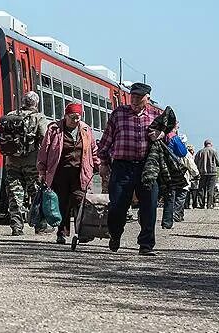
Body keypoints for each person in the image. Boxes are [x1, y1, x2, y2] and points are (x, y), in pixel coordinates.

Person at [97, 82, 163, 256]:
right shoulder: (119, 114)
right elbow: (106, 140)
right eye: (132, 96)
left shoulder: (156, 115)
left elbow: (171, 135)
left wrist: (161, 134)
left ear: (147, 98)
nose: (134, 99)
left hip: (147, 167)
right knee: (117, 205)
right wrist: (103, 162)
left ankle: (146, 245)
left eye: (138, 97)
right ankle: (115, 235)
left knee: (149, 206)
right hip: (122, 166)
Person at [37, 102, 98, 244]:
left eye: (78, 117)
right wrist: (42, 170)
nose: (75, 120)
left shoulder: (85, 130)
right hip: (60, 173)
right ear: (65, 116)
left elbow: (93, 150)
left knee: (80, 201)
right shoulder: (54, 129)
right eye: (72, 117)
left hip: (80, 173)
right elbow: (44, 151)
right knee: (62, 204)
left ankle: (82, 232)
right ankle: (62, 233)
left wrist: (98, 165)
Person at [0, 91, 49, 236]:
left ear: (23, 102)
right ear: (36, 103)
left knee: (14, 196)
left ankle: (16, 227)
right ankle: (39, 226)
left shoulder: (9, 116)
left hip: (11, 163)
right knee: (35, 194)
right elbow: (45, 140)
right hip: (31, 164)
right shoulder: (39, 118)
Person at [195, 140, 219, 209]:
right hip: (212, 172)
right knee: (210, 189)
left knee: (202, 189)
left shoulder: (200, 152)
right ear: (210, 144)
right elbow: (218, 163)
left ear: (204, 144)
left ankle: (201, 204)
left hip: (202, 172)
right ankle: (209, 205)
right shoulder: (213, 151)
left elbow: (195, 162)